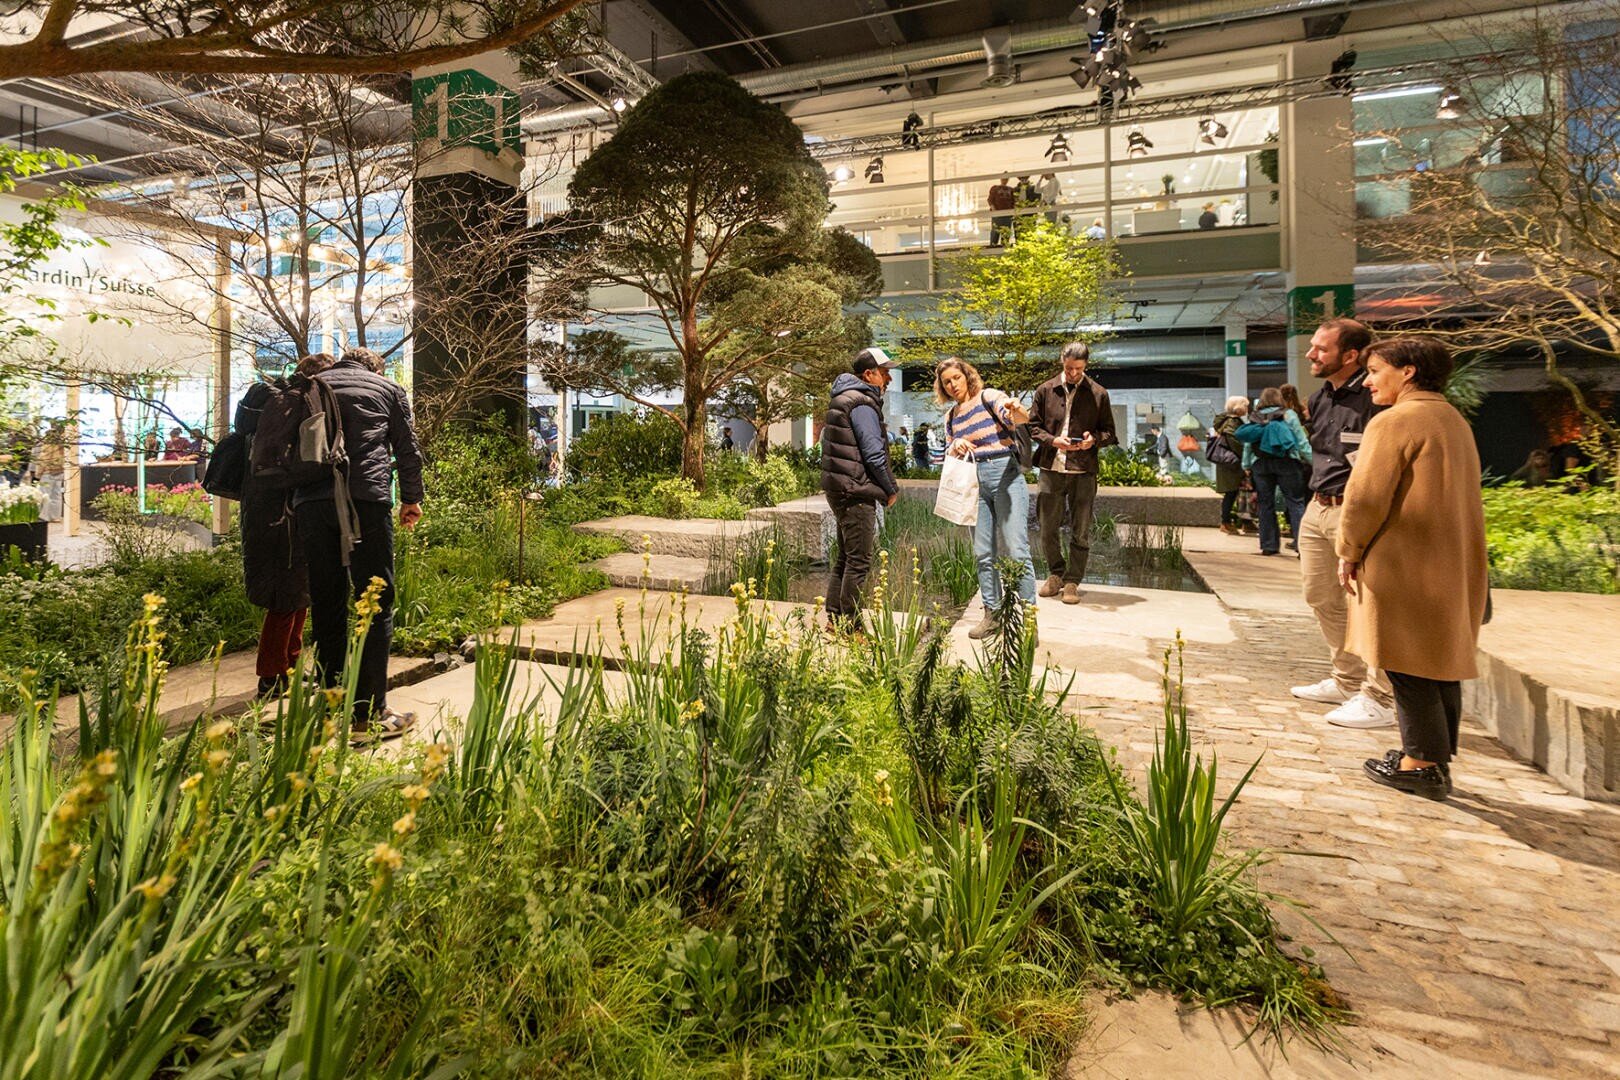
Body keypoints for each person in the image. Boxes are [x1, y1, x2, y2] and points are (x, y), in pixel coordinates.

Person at [1338, 338, 1487, 799]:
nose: (1368, 381)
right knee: (1437, 662)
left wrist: (1348, 549)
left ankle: (1421, 763)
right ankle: (1430, 757)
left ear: (1407, 372)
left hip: (1404, 562)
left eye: (1376, 370)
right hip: (1449, 560)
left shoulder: (1395, 421)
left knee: (1406, 663)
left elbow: (1365, 498)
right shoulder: (1452, 419)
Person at [296, 346, 423, 743]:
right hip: (365, 501)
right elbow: (408, 450)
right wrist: (411, 499)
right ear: (376, 367)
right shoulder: (387, 390)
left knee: (327, 598)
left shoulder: (312, 385)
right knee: (376, 599)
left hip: (312, 504)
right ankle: (369, 712)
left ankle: (331, 705)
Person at [1291, 318, 1396, 728]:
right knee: (1321, 596)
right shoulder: (1320, 399)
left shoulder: (1377, 401)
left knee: (1370, 604)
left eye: (1320, 349)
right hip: (1318, 508)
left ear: (1350, 355)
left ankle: (1381, 696)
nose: (1310, 354)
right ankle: (1347, 679)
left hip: (1358, 511)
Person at [240, 354, 330, 700]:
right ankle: (271, 676)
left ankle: (287, 668)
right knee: (285, 597)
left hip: (269, 509)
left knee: (297, 595)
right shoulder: (292, 406)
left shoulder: (276, 406)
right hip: (283, 512)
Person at [938, 357, 1036, 638]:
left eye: (956, 377)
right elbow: (949, 451)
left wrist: (1017, 409)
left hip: (1005, 475)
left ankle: (1029, 619)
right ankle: (992, 615)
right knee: (983, 553)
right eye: (946, 382)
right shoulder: (951, 417)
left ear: (967, 376)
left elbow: (1017, 419)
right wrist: (955, 444)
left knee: (1017, 550)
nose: (952, 384)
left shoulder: (988, 396)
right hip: (973, 482)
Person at [820, 347, 901, 633]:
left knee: (845, 557)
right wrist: (890, 489)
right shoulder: (862, 403)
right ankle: (851, 628)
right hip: (857, 490)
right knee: (859, 562)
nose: (888, 378)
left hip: (840, 488)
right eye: (885, 372)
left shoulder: (843, 398)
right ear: (869, 374)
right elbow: (874, 455)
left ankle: (835, 619)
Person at [1029, 342, 1116, 603]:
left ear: (1086, 365)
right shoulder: (1045, 390)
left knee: (1080, 529)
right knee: (1047, 527)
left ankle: (1072, 581)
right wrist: (1053, 440)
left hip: (1084, 470)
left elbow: (1110, 432)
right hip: (1051, 468)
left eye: (1078, 368)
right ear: (1061, 362)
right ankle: (1055, 574)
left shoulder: (1099, 393)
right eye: (1069, 368)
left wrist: (1094, 440)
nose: (1073, 373)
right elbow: (1033, 426)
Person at [1238, 387, 1311, 557]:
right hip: (1287, 462)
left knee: (1265, 504)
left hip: (1261, 464)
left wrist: (1246, 465)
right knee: (1295, 503)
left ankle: (1269, 546)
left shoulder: (1256, 416)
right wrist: (1313, 461)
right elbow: (1301, 442)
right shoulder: (1288, 414)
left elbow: (1248, 443)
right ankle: (1303, 547)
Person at [1212, 396, 1248, 535]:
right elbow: (1236, 443)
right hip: (1232, 464)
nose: (1247, 408)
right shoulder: (1232, 422)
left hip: (1227, 462)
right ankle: (1225, 522)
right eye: (1245, 405)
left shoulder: (1227, 421)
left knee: (1232, 493)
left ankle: (1233, 521)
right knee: (1231, 493)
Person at [988, 176, 1016, 246]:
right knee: (995, 233)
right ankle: (993, 247)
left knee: (1006, 235)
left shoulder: (1011, 190)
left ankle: (1004, 247)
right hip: (997, 215)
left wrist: (1012, 213)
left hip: (1007, 215)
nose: (1005, 180)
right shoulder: (995, 188)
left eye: (1006, 179)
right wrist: (994, 211)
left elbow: (1013, 202)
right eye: (1003, 178)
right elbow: (990, 200)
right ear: (1000, 178)